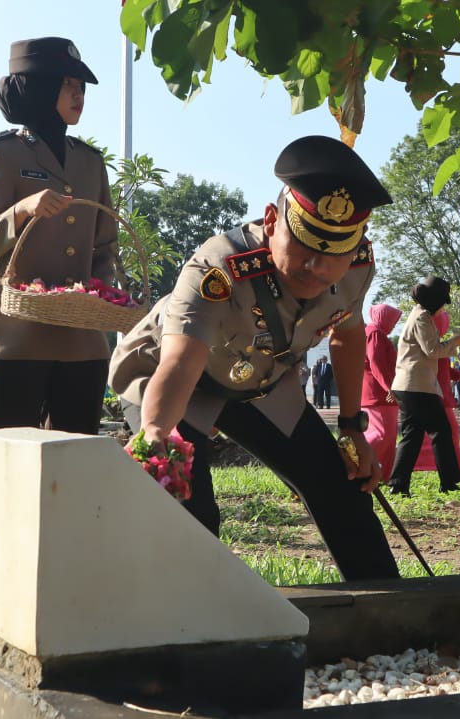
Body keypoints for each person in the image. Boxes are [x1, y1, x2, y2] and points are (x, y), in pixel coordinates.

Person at [110, 135, 400, 581]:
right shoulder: (218, 268)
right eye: (305, 245)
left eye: (334, 252)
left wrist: (351, 429)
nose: (318, 267)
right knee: (189, 506)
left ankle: (389, 610)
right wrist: (156, 436)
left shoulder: (358, 265)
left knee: (341, 486)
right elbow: (180, 364)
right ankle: (191, 621)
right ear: (271, 220)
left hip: (259, 381)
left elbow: (346, 333)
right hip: (170, 378)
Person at [0, 37, 125, 434]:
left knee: (75, 467)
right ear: (39, 88)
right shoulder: (1, 153)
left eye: (83, 87)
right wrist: (21, 210)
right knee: (6, 468)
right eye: (68, 84)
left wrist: (99, 296)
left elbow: (104, 245)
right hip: (14, 340)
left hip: (80, 343)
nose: (79, 95)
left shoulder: (90, 162)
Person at [387, 277, 460, 496]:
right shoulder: (422, 318)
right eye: (442, 302)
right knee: (441, 431)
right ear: (434, 301)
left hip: (410, 385)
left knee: (413, 435)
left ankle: (399, 484)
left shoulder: (418, 314)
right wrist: (455, 342)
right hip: (418, 386)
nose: (443, 307)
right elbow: (432, 351)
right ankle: (449, 480)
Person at [413, 308, 460, 477]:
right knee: (448, 430)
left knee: (438, 432)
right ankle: (457, 468)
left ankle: (453, 467)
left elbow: (445, 367)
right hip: (434, 391)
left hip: (438, 392)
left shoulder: (435, 342)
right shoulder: (432, 343)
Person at [361, 303, 402, 483]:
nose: (393, 325)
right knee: (382, 434)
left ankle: (382, 477)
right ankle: (355, 463)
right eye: (392, 321)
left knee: (389, 436)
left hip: (381, 392)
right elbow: (376, 362)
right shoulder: (375, 333)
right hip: (380, 394)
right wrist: (389, 388)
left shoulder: (375, 332)